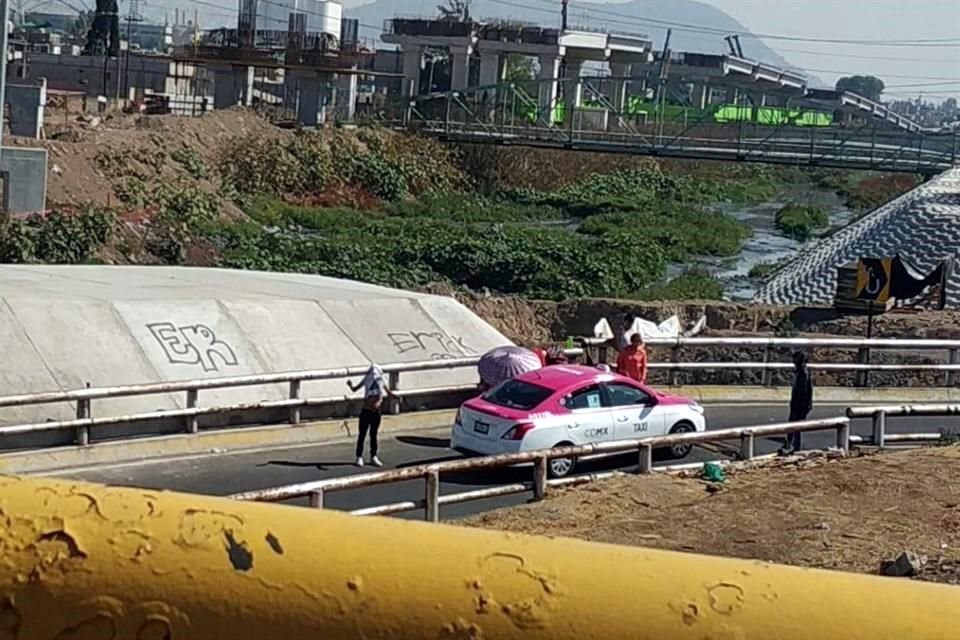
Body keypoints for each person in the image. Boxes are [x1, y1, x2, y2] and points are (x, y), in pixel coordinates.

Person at [347, 365, 400, 468]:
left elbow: (388, 393)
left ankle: (373, 456)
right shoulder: (366, 379)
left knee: (373, 434)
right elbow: (355, 389)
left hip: (376, 412)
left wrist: (396, 397)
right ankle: (359, 456)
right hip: (366, 411)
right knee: (362, 434)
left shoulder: (381, 381)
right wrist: (350, 385)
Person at [782, 351, 814, 455]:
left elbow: (804, 391)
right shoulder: (801, 372)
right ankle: (791, 445)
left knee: (794, 425)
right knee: (794, 426)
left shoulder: (803, 373)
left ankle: (793, 446)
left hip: (799, 404)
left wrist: (803, 405)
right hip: (798, 403)